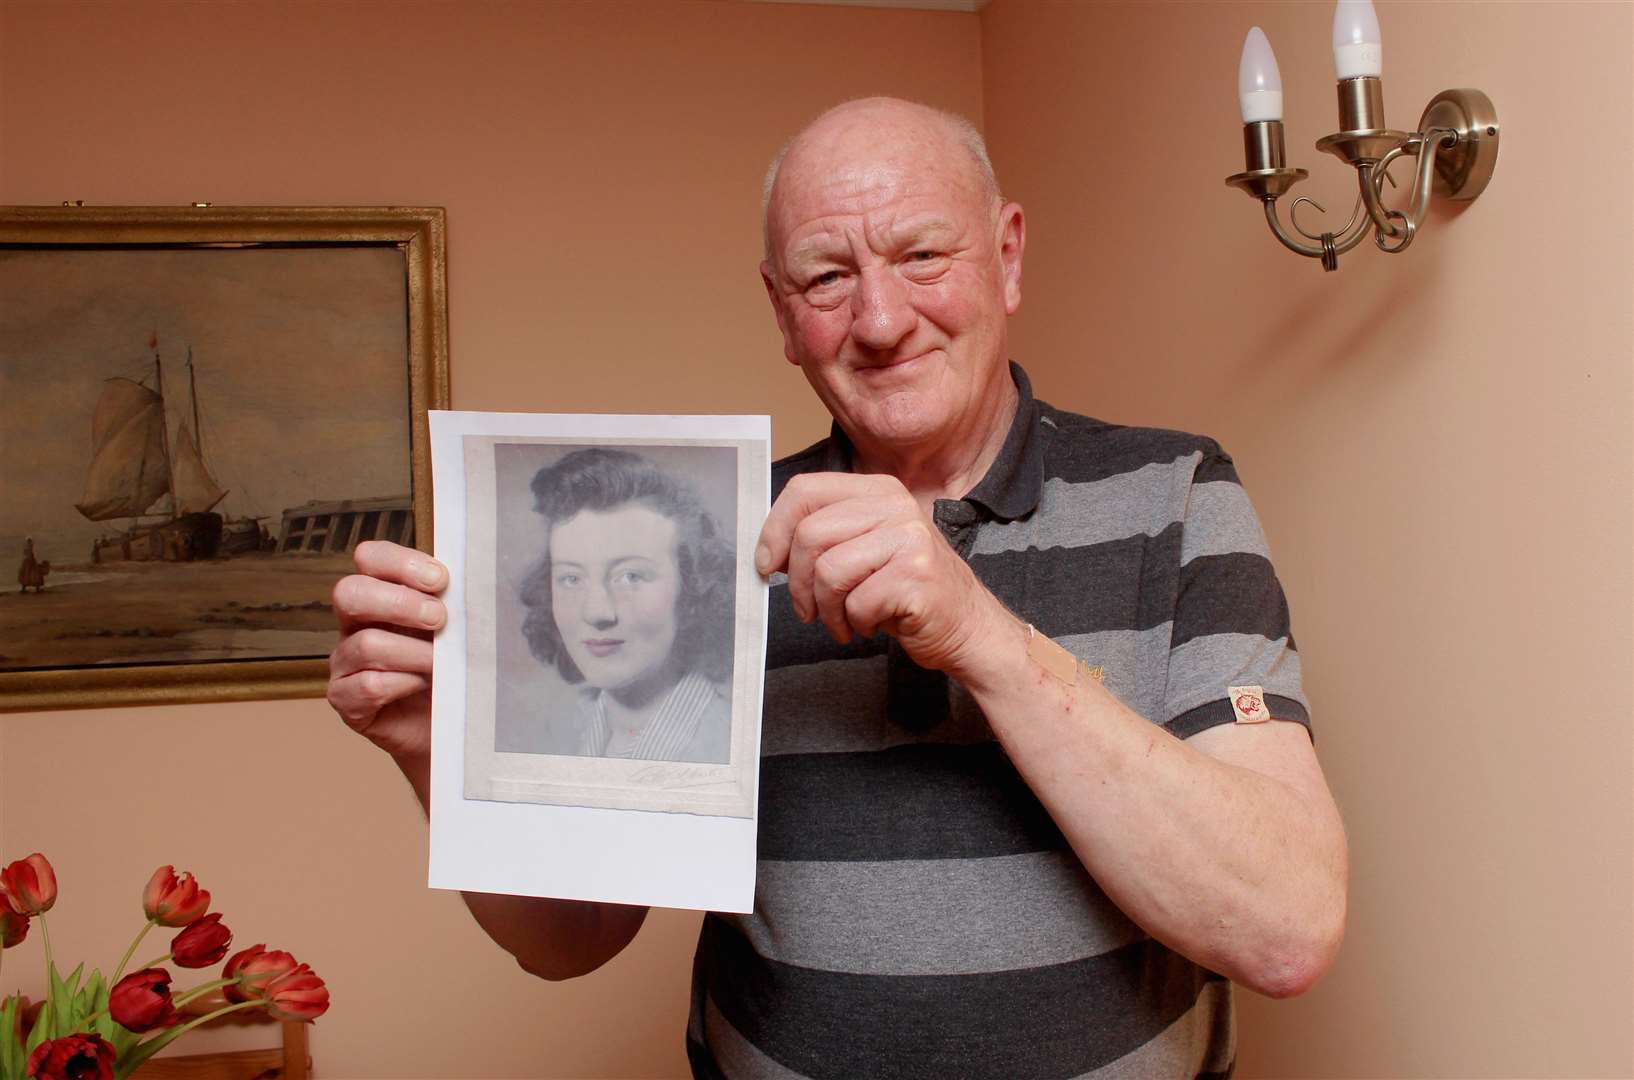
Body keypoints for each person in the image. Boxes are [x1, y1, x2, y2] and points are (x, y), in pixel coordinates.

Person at [328, 97, 1348, 1078]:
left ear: (1005, 256)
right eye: (824, 277)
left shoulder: (1176, 494)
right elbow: (569, 940)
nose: (878, 318)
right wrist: (433, 750)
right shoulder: (713, 545)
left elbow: (1283, 931)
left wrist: (974, 631)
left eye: (920, 255)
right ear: (781, 312)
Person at [518, 447, 735, 763]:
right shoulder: (556, 735)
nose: (597, 613)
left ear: (692, 587)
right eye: (570, 578)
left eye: (631, 576)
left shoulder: (732, 746)